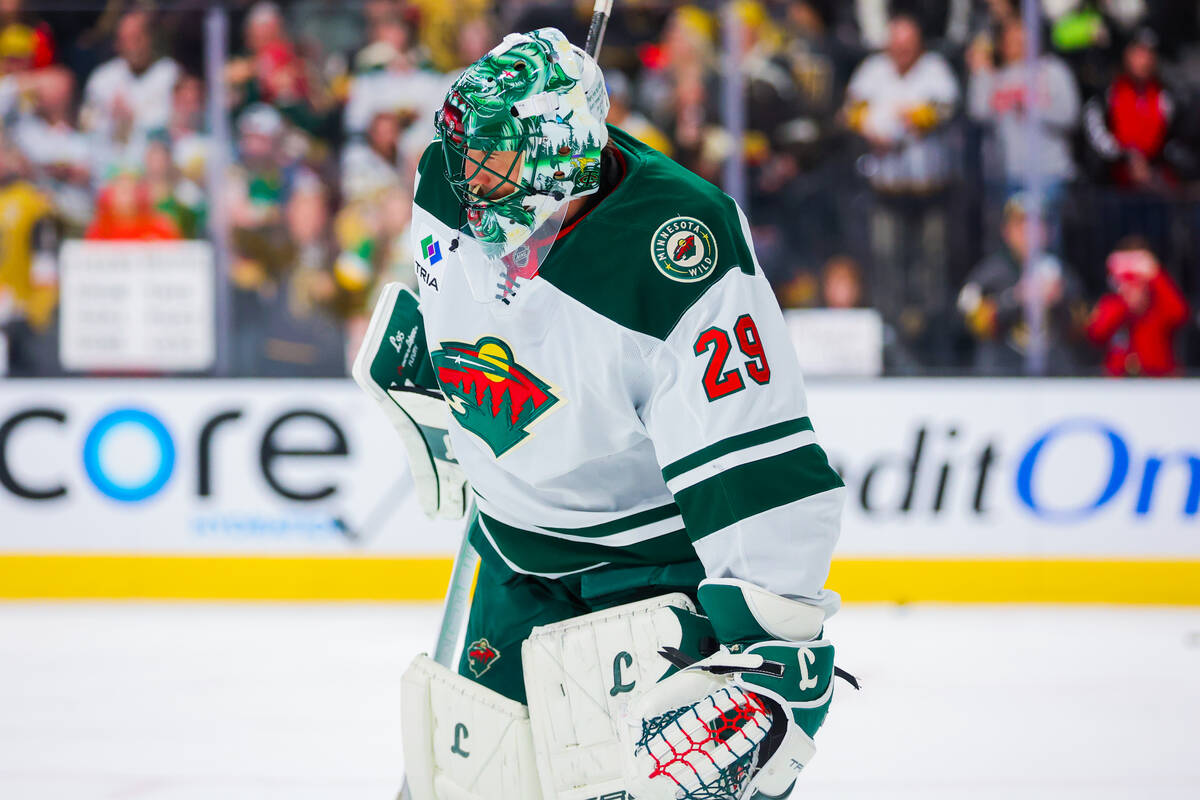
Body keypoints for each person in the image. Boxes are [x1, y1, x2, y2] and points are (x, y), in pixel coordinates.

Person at [367, 27, 847, 800]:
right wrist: (437, 383)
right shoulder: (451, 180)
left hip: (649, 574)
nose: (465, 178)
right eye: (464, 151)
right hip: (506, 550)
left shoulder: (680, 250)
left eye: (492, 159)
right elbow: (461, 305)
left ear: (558, 158)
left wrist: (770, 649)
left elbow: (750, 458)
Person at [957, 195, 1087, 375]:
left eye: (1036, 225)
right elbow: (970, 322)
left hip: (1054, 376)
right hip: (1001, 375)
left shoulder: (1062, 273)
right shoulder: (990, 274)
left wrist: (1059, 301)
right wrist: (1015, 298)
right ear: (1006, 231)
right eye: (1020, 226)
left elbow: (1083, 327)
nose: (1029, 233)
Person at [1083, 28, 1190, 190]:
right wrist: (1125, 158)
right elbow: (1095, 132)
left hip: (1154, 184)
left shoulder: (1167, 96)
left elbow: (1175, 140)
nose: (1144, 60)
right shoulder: (1109, 93)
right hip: (1114, 184)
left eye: (1149, 54)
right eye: (1138, 53)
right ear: (1127, 55)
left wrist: (1152, 164)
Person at [1086, 236, 1189, 377]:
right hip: (1120, 386)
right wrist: (1124, 301)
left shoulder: (1159, 304)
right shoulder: (1112, 304)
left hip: (1159, 386)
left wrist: (1157, 277)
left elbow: (1180, 314)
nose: (1132, 284)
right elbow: (1096, 334)